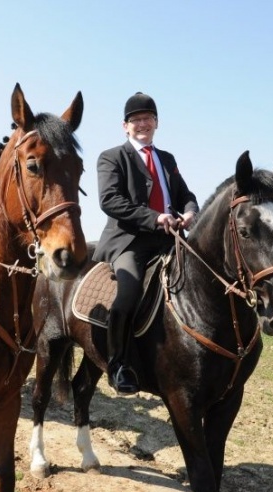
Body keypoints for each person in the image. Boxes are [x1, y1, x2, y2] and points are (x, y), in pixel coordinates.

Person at [93, 92, 199, 395]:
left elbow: (185, 195)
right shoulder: (112, 156)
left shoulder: (167, 159)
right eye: (136, 120)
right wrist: (155, 218)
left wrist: (191, 211)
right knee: (129, 293)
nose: (142, 124)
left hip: (169, 238)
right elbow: (110, 201)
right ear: (125, 126)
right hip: (130, 241)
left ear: (157, 122)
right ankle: (119, 363)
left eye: (147, 118)